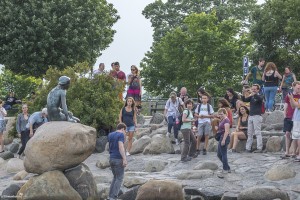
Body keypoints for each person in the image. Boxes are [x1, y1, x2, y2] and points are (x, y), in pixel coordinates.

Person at [242, 84, 264, 153]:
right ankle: (248, 148)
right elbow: (245, 100)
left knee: (257, 132)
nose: (253, 90)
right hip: (251, 116)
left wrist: (253, 93)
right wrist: (244, 92)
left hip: (257, 116)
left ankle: (259, 148)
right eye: (252, 88)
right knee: (250, 133)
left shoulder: (260, 95)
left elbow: (260, 99)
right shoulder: (251, 97)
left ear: (258, 90)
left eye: (255, 89)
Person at [108, 123, 127, 200]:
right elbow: (121, 146)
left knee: (115, 177)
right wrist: (124, 158)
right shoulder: (121, 135)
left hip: (111, 158)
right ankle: (114, 197)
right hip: (118, 159)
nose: (125, 132)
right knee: (119, 178)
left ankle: (110, 196)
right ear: (122, 129)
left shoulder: (110, 135)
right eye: (125, 131)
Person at [281, 81, 300, 159]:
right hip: (290, 117)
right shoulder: (289, 95)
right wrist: (285, 115)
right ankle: (287, 151)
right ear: (294, 87)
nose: (299, 89)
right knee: (288, 134)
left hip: (297, 118)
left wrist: (292, 99)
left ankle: (296, 152)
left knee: (297, 135)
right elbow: (289, 106)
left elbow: (297, 106)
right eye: (298, 87)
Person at [216, 108, 231, 174]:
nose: (220, 115)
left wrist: (224, 140)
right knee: (219, 154)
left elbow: (227, 131)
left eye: (221, 114)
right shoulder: (222, 120)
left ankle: (225, 169)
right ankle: (227, 167)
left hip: (224, 137)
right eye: (219, 114)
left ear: (225, 113)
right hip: (221, 137)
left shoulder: (226, 120)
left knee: (223, 154)